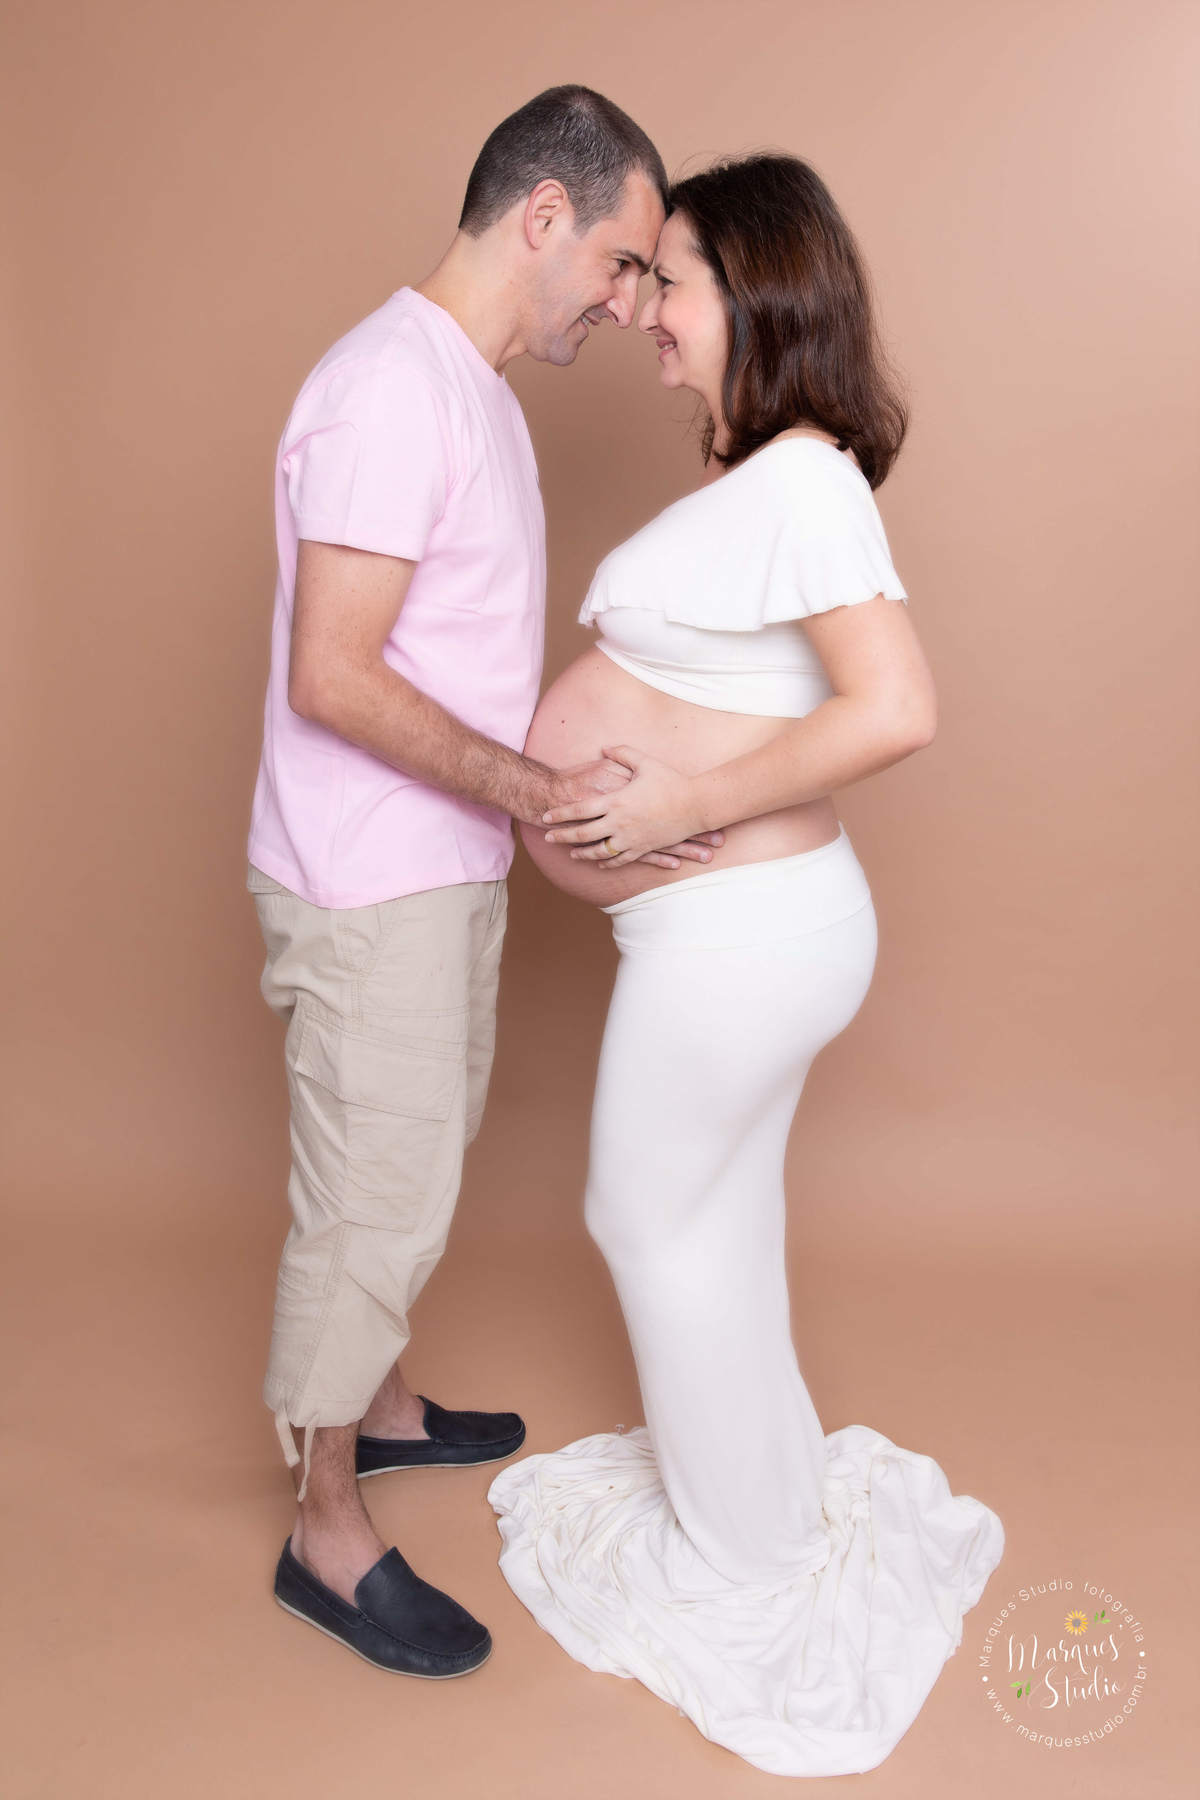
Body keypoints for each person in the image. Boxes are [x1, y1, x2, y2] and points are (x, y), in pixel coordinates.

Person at [488, 154, 1005, 1775]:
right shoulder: (771, 479)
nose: (648, 307)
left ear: (761, 291)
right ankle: (766, 1500)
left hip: (739, 932)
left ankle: (752, 1561)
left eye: (677, 277)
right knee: (715, 1214)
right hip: (736, 935)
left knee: (643, 1215)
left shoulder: (804, 481)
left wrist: (687, 805)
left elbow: (897, 706)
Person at [245, 85, 724, 1680]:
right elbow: (333, 675)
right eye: (624, 259)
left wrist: (637, 770)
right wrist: (538, 793)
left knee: (419, 1156)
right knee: (368, 1194)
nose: (632, 297)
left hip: (436, 868)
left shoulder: (477, 397)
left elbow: (457, 656)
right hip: (364, 877)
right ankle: (324, 1526)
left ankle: (379, 1408)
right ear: (542, 216)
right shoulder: (388, 389)